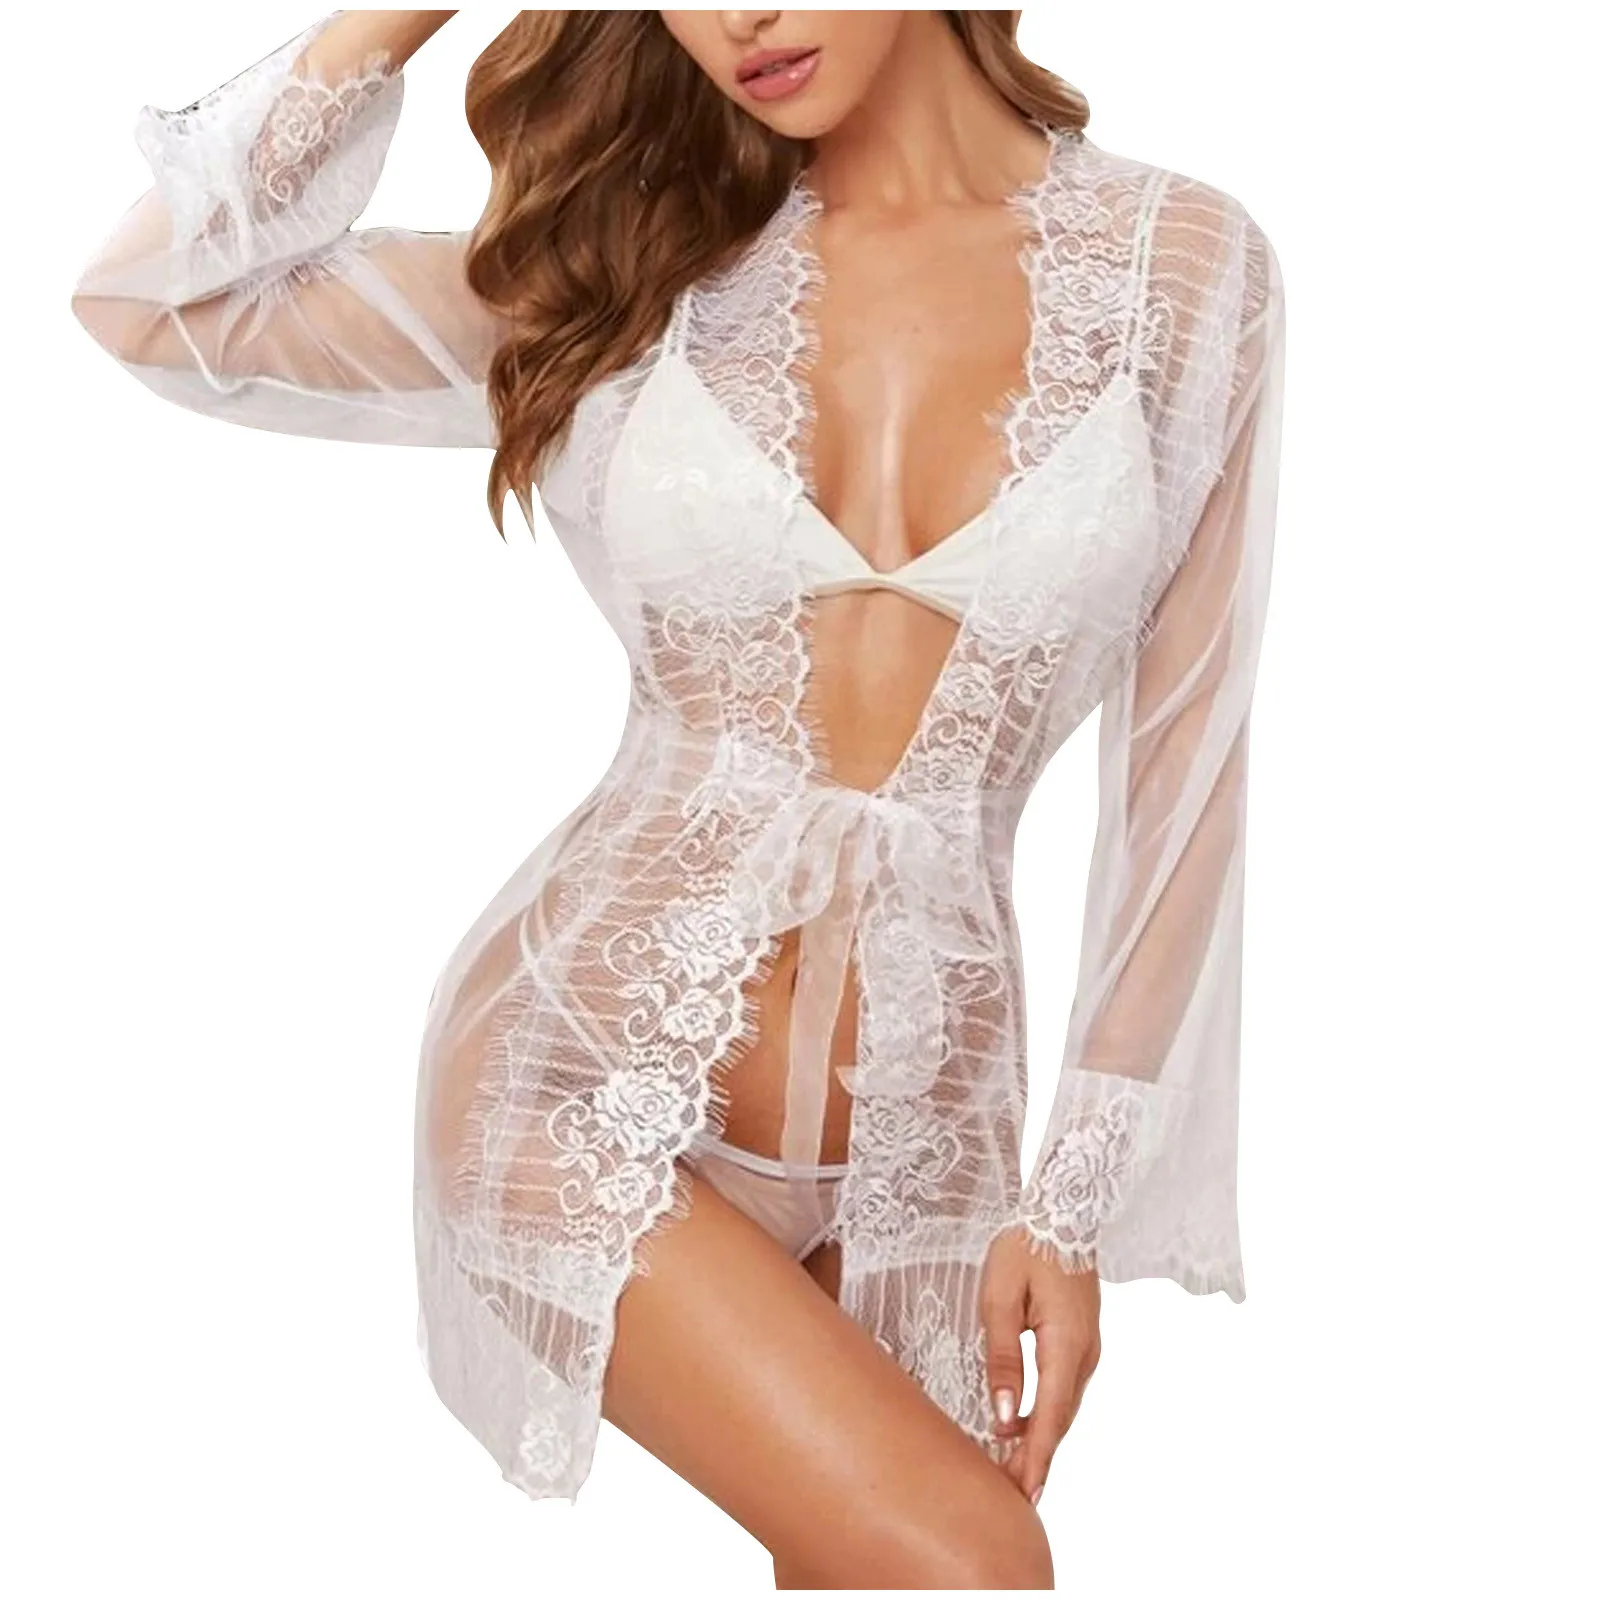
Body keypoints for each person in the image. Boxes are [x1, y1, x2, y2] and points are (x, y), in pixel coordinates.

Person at [71, 10, 1286, 1590]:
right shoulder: (630, 264)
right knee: (975, 1564)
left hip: (930, 1131)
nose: (738, 19)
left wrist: (1072, 1204)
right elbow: (152, 299)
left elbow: (1187, 773)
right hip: (586, 1067)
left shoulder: (1187, 268)